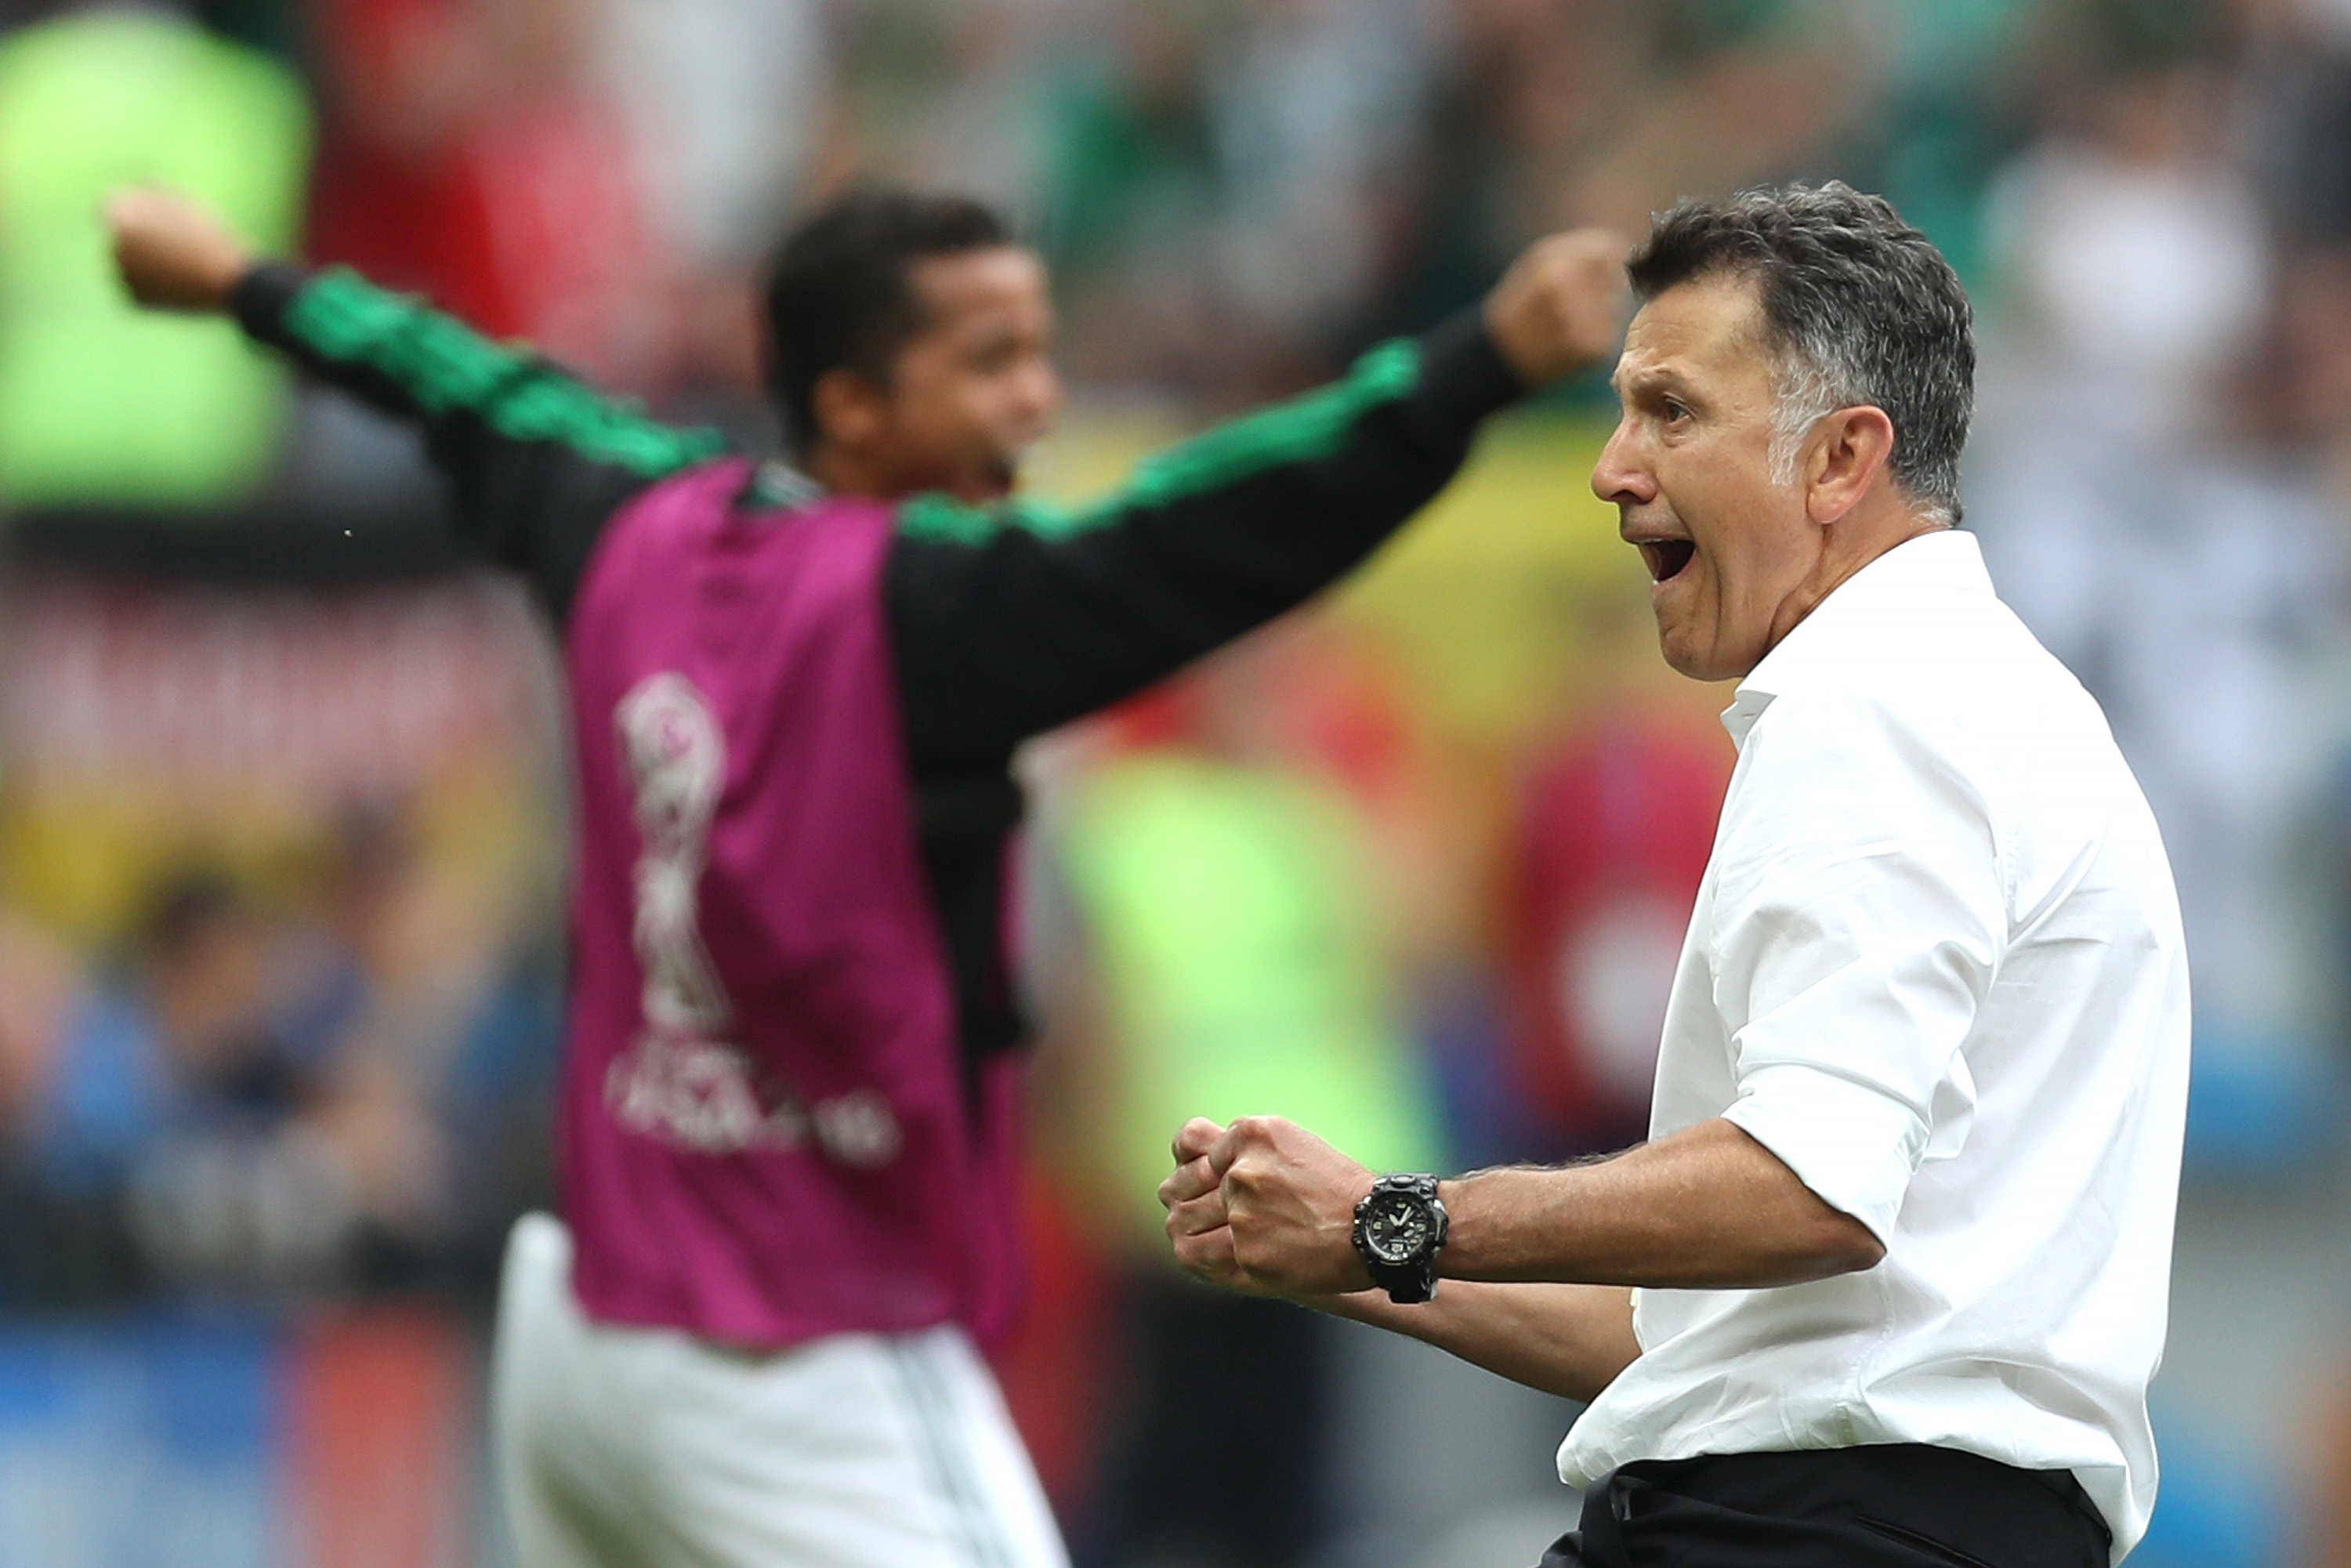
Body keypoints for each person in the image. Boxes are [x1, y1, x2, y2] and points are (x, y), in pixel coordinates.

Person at [104, 182, 1627, 1568]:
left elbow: (449, 376)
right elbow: (1207, 533)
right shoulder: (931, 620)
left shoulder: (615, 509)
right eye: (990, 361)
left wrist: (240, 279)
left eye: (1039, 352)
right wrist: (1475, 364)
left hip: (583, 1323)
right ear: (849, 403)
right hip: (799, 1345)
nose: (1037, 402)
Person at [1160, 183, 2190, 1568]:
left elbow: (1805, 1193)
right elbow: (1707, 1343)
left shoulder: (1874, 707)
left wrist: (1389, 1214)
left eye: (1672, 411)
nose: (1610, 467)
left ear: (1842, 459)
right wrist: (1357, 1251)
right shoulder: (1981, 697)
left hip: (1801, 1540)